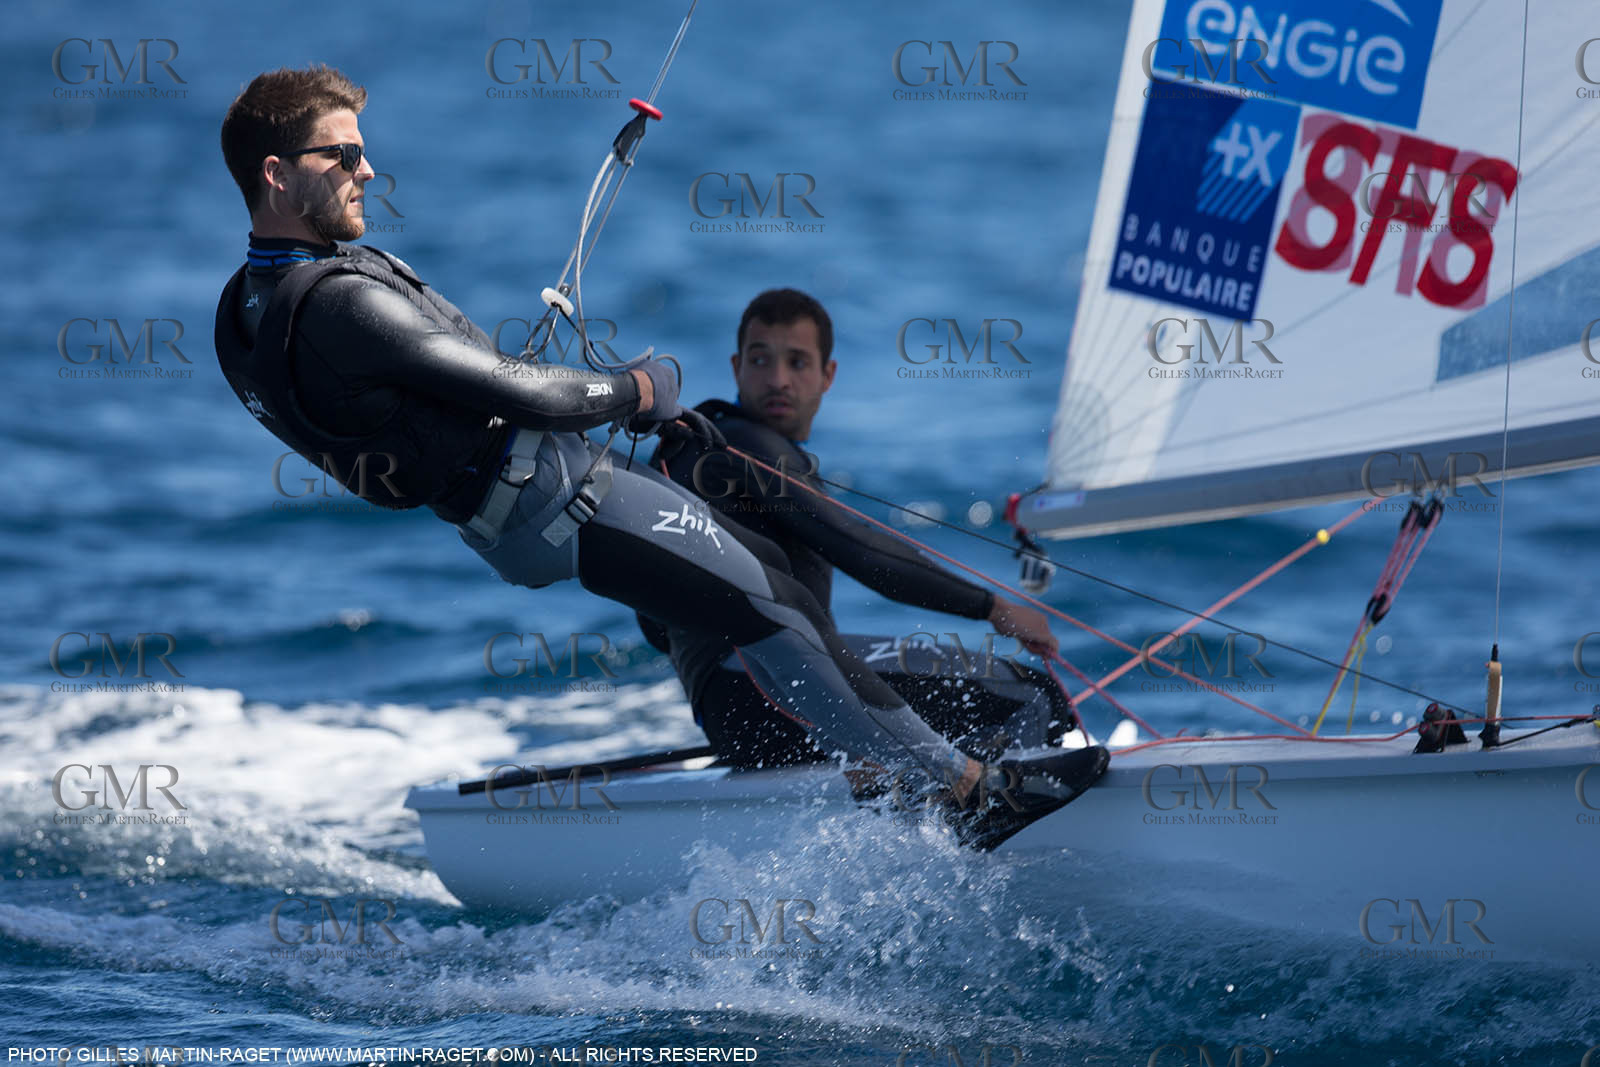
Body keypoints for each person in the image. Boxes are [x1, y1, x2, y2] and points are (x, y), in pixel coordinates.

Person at [213, 65, 1107, 849]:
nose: (368, 170)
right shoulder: (339, 306)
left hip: (519, 508)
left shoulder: (243, 312)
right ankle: (964, 791)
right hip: (555, 496)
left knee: (759, 589)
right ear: (277, 173)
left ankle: (908, 772)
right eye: (343, 156)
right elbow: (522, 393)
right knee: (776, 607)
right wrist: (638, 391)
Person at [638, 289, 1080, 770]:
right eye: (761, 360)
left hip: (730, 717)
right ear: (736, 368)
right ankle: (994, 825)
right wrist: (991, 607)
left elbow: (654, 623)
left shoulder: (681, 453)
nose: (778, 380)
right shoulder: (752, 445)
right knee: (1031, 696)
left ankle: (914, 797)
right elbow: (859, 550)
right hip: (785, 693)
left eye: (798, 362)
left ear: (827, 375)